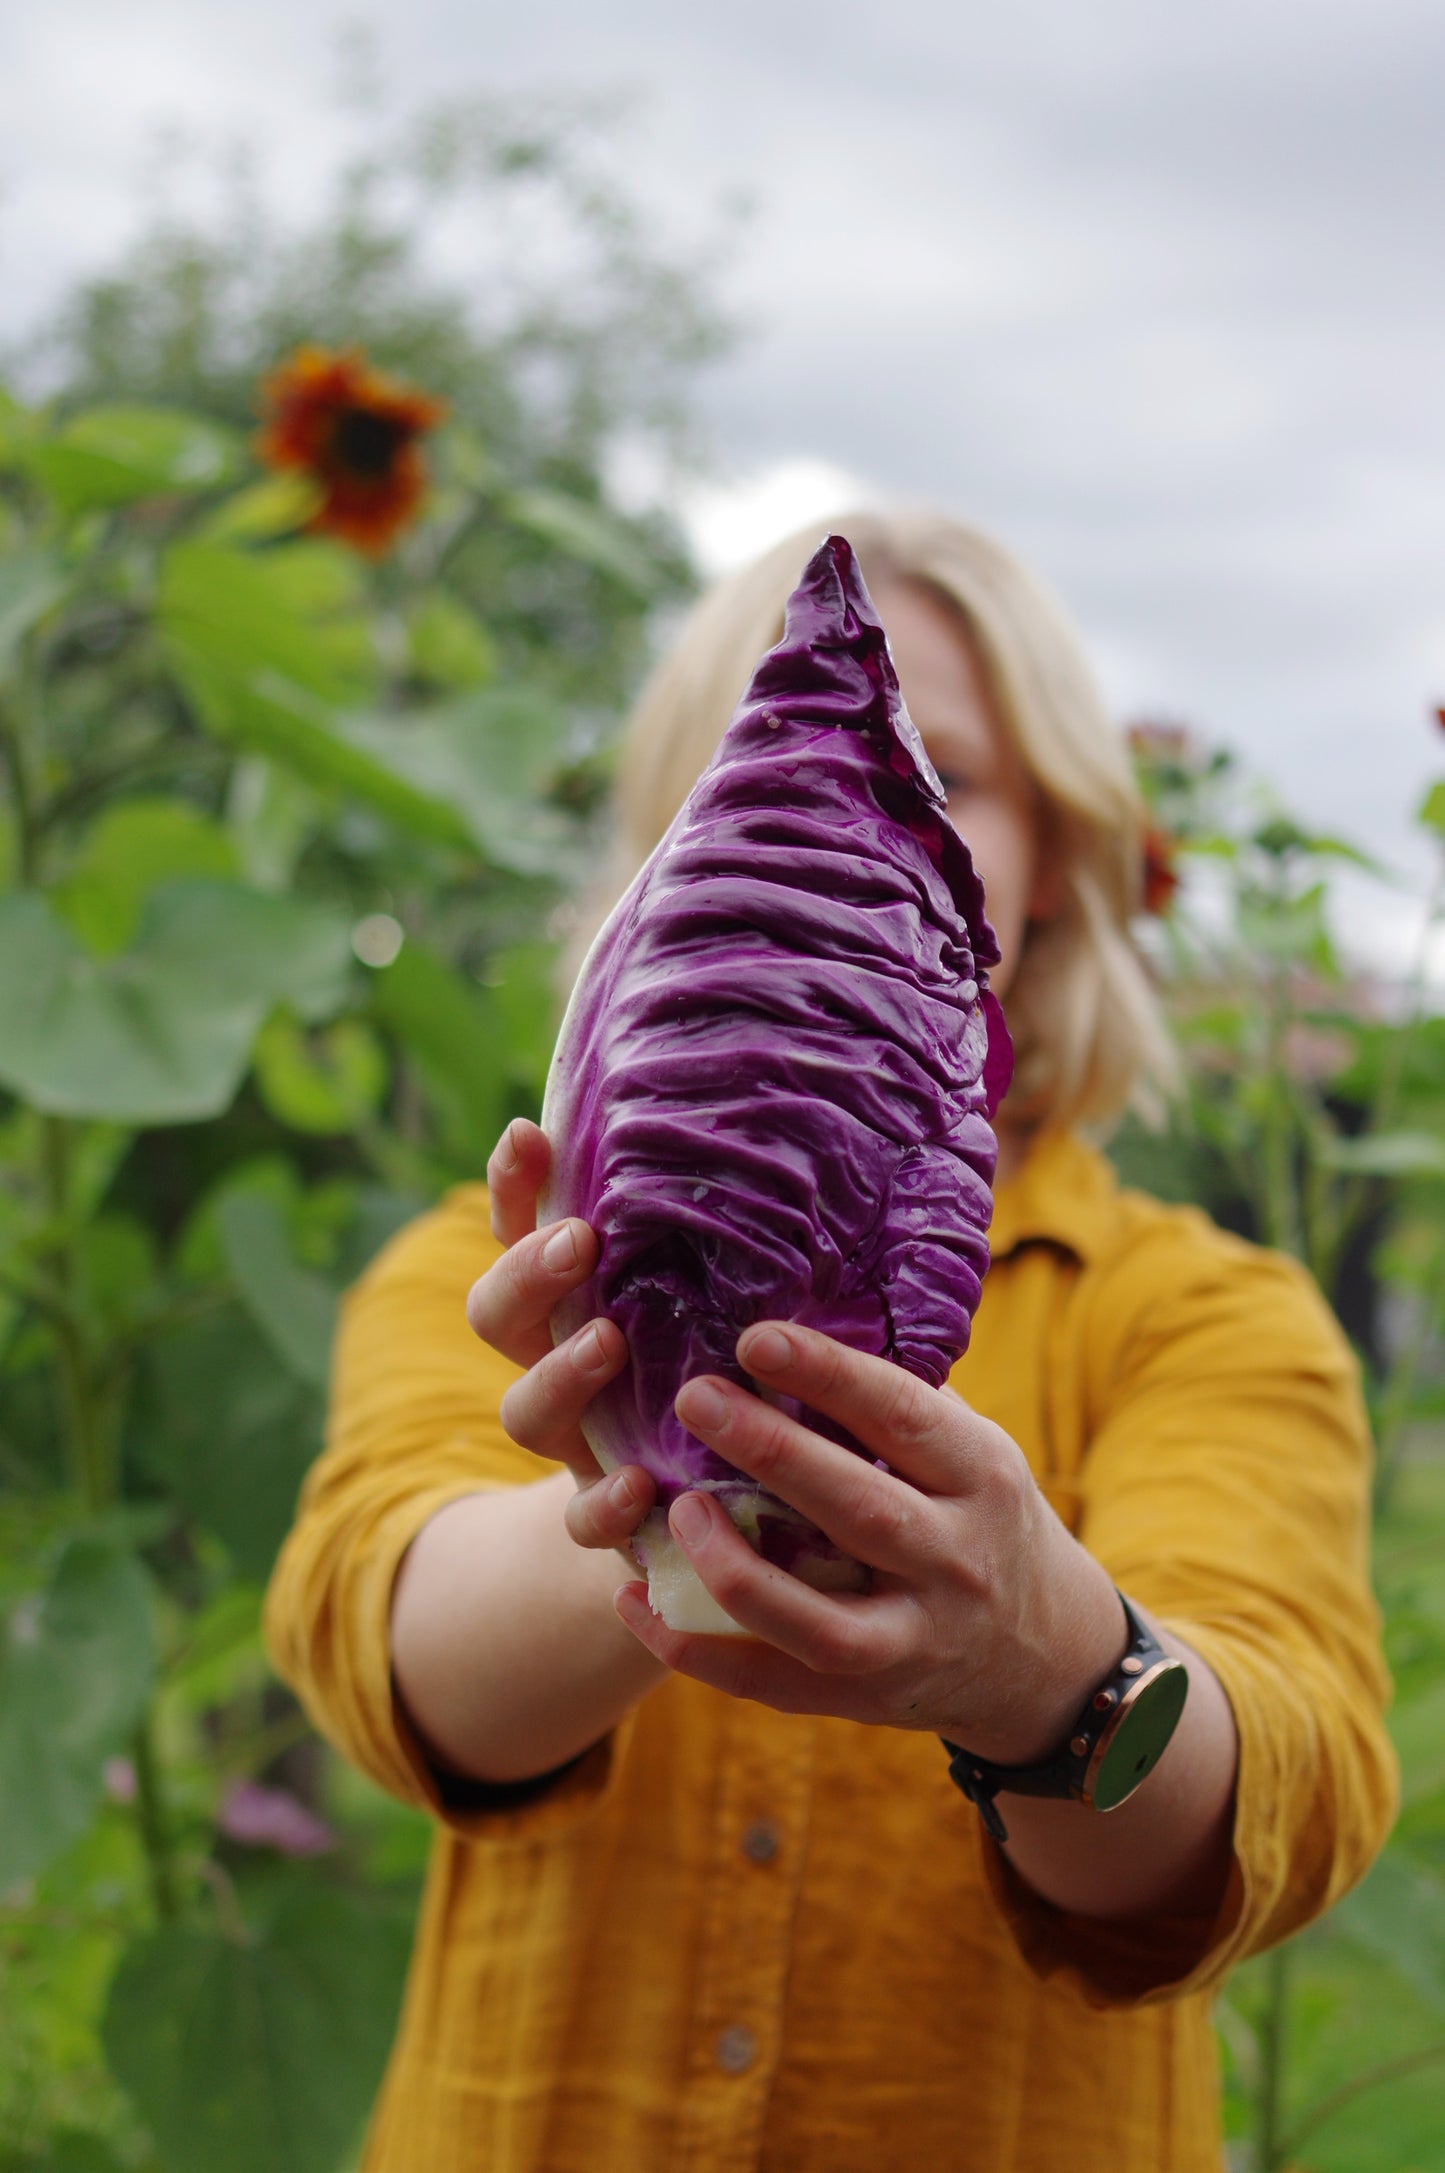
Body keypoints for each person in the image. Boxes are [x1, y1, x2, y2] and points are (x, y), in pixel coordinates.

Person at [264, 510, 1396, 2172]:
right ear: (658, 871)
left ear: (1065, 865)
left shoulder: (1201, 1315)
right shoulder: (500, 1269)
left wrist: (1046, 1668)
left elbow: (1270, 1784)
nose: (838, 818)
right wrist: (652, 1485)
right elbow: (394, 1646)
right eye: (750, 766)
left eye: (947, 774)